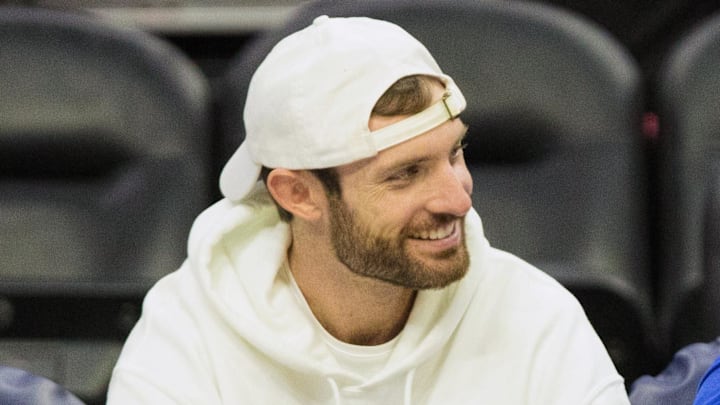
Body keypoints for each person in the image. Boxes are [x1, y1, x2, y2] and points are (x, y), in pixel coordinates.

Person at [107, 15, 630, 404]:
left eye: (455, 153)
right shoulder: (187, 337)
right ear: (298, 194)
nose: (459, 199)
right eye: (405, 174)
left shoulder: (536, 319)